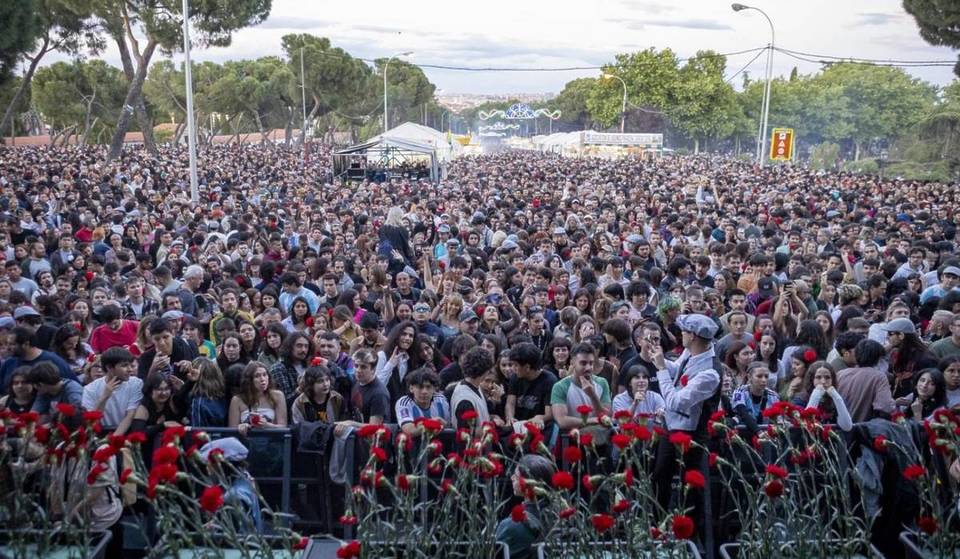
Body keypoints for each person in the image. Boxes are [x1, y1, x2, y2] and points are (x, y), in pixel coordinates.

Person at [648, 314, 722, 526]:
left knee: (689, 488)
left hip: (690, 435)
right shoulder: (691, 352)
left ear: (694, 336)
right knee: (659, 477)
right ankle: (657, 525)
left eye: (684, 331)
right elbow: (678, 371)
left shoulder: (710, 373)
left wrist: (661, 368)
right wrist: (660, 359)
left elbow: (675, 401)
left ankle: (689, 534)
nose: (681, 333)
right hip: (671, 427)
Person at [496, 454, 554, 559]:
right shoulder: (563, 522)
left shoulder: (510, 526)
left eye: (516, 475)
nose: (512, 477)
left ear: (528, 483)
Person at [549, 342, 612, 429]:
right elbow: (562, 421)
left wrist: (593, 395)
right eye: (583, 363)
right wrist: (592, 420)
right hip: (572, 437)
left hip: (600, 436)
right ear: (572, 362)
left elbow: (607, 418)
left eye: (591, 363)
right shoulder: (560, 387)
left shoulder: (602, 383)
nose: (588, 368)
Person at [81, 347, 142, 435]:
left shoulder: (136, 383)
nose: (130, 370)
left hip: (126, 432)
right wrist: (104, 398)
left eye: (131, 365)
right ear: (109, 367)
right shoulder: (90, 389)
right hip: (100, 433)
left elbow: (130, 415)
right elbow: (91, 422)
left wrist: (112, 441)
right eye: (124, 365)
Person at [836, 339, 897, 423]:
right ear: (878, 358)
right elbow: (885, 406)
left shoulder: (841, 374)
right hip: (863, 429)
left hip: (839, 428)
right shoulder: (878, 377)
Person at [335, 348, 391, 436]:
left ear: (373, 369)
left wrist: (350, 423)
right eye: (356, 365)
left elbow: (374, 427)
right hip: (357, 437)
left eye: (363, 367)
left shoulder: (379, 394)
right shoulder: (357, 382)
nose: (358, 370)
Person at [0, 326, 77, 390]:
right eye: (7, 344)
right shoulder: (9, 362)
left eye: (12, 344)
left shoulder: (53, 361)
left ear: (26, 344)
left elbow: (74, 386)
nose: (8, 348)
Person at [505, 342, 557, 430]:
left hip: (539, 428)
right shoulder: (515, 377)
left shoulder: (549, 380)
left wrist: (539, 418)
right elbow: (510, 403)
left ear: (527, 367)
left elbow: (549, 414)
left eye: (516, 365)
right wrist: (510, 417)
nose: (513, 368)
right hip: (518, 426)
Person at [228, 361, 288, 436]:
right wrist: (241, 427)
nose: (262, 379)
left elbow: (283, 428)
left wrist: (267, 425)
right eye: (257, 376)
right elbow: (231, 431)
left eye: (265, 375)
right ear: (249, 380)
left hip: (272, 442)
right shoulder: (237, 400)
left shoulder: (278, 396)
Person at [793, 361, 853, 431]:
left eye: (827, 377)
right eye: (818, 377)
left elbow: (847, 426)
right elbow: (805, 426)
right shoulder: (800, 399)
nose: (823, 381)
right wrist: (816, 395)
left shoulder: (835, 399)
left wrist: (837, 398)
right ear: (811, 379)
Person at [451, 346, 497, 430]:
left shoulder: (475, 385)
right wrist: (491, 426)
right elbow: (465, 433)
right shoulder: (465, 400)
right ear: (485, 371)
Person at [394, 368, 450, 436]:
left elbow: (450, 426)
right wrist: (432, 423)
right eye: (420, 387)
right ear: (411, 388)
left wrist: (442, 423)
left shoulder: (441, 400)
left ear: (434, 389)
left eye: (428, 387)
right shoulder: (404, 403)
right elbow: (409, 431)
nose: (424, 392)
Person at [731, 362, 780, 433]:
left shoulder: (773, 396)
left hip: (767, 434)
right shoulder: (740, 392)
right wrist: (758, 432)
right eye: (759, 376)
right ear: (749, 377)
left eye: (766, 376)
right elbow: (743, 413)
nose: (764, 380)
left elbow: (778, 419)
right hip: (745, 433)